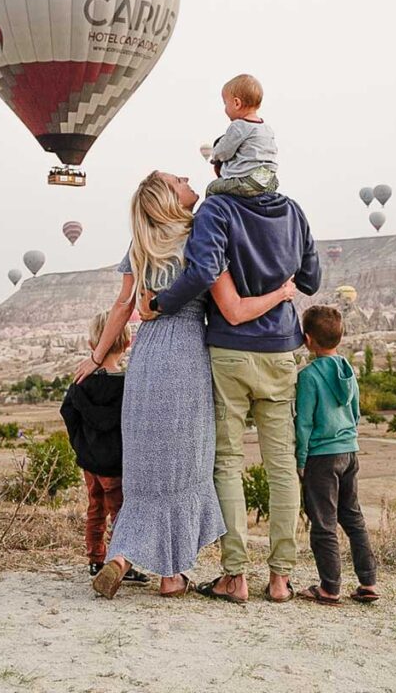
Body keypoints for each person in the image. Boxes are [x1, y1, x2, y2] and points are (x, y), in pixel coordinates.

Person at [73, 172, 296, 600]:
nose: (188, 178)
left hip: (147, 358)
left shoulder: (142, 244)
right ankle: (172, 576)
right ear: (169, 198)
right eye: (179, 180)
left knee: (145, 469)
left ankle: (120, 555)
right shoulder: (201, 234)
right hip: (189, 356)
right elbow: (225, 299)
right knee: (185, 467)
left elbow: (123, 306)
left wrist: (97, 356)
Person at [143, 170, 320, 604]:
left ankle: (235, 575)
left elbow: (204, 272)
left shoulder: (215, 210)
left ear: (222, 169)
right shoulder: (293, 211)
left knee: (227, 463)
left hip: (229, 351)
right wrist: (282, 289)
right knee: (281, 466)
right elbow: (312, 281)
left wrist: (160, 303)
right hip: (280, 350)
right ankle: (280, 579)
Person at [295, 305, 378, 605]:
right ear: (340, 339)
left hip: (321, 456)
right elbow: (355, 412)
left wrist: (301, 459)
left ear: (307, 340)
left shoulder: (309, 377)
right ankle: (368, 582)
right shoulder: (348, 370)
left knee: (324, 523)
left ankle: (330, 587)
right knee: (353, 517)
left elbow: (304, 422)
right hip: (349, 451)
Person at [60, 310, 149, 585]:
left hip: (90, 463)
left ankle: (95, 559)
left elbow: (68, 412)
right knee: (119, 513)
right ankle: (119, 561)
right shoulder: (129, 385)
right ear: (127, 344)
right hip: (116, 464)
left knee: (95, 509)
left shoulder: (81, 383)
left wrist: (81, 446)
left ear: (91, 345)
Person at [206, 74, 279, 197]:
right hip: (269, 179)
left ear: (236, 103)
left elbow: (224, 151)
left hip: (248, 180)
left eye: (225, 103)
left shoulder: (239, 126)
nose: (225, 108)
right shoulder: (266, 128)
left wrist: (213, 155)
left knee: (212, 188)